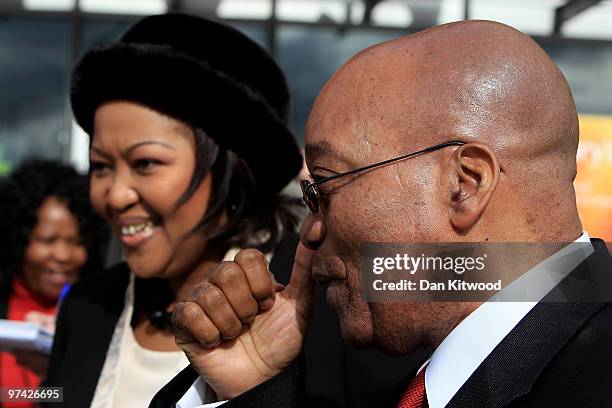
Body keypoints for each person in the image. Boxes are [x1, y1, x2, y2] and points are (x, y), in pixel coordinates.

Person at [165, 20, 612, 407]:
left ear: (464, 185)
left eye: (323, 185)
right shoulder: (418, 377)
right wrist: (251, 390)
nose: (311, 229)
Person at [46, 13, 420, 408]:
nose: (116, 195)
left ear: (230, 173)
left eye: (146, 164)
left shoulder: (332, 300)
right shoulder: (87, 305)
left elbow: (486, 270)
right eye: (101, 166)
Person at [0, 159, 106, 404]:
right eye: (47, 241)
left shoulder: (102, 314)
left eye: (76, 242)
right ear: (19, 241)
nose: (63, 255)